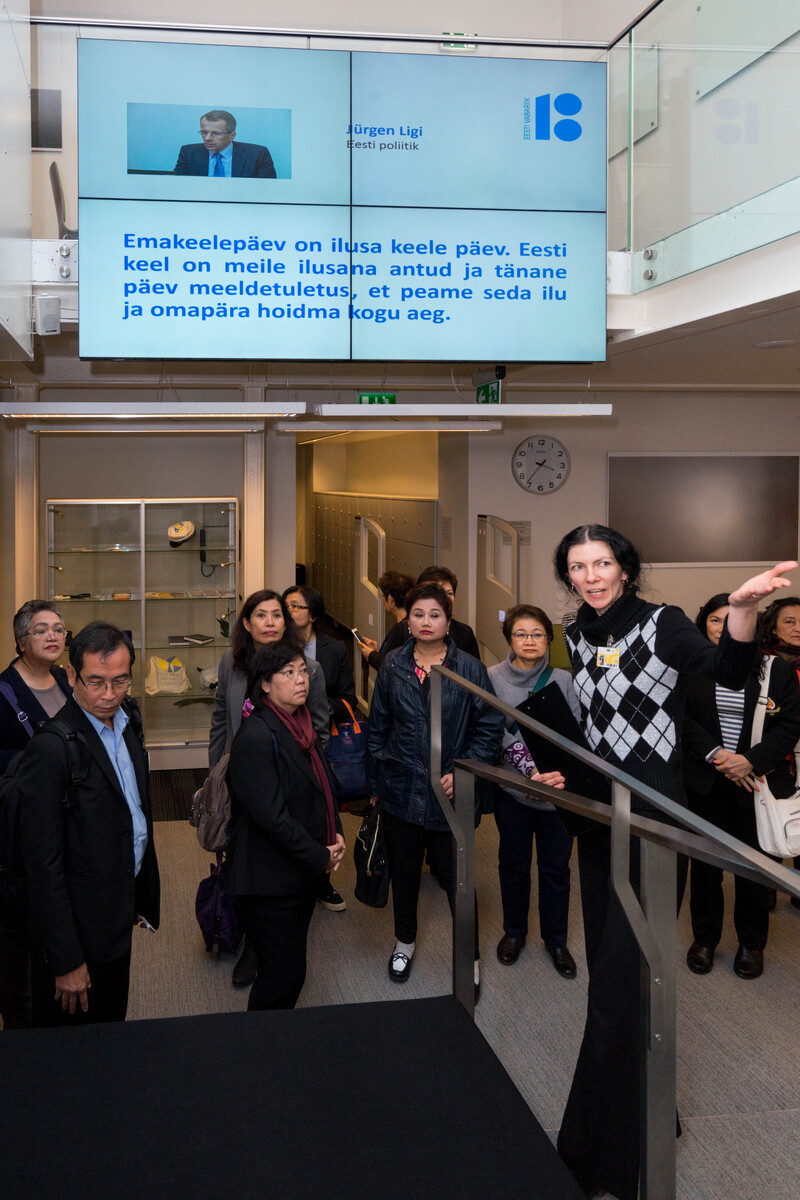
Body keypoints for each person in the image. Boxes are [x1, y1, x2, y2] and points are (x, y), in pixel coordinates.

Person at [552, 522, 795, 1200]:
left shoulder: (661, 624)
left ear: (625, 569)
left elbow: (727, 671)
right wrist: (563, 771)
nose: (592, 576)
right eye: (579, 566)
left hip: (653, 825)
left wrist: (741, 610)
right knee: (611, 981)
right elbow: (595, 727)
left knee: (622, 988)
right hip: (600, 817)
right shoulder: (576, 633)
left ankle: (608, 1158)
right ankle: (644, 1107)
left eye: (603, 563)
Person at [16, 621, 160, 1026]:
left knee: (112, 1021)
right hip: (76, 930)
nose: (109, 695)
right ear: (71, 674)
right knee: (74, 1042)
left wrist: (134, 894)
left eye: (120, 681)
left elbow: (132, 811)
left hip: (116, 910)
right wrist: (66, 960)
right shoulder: (51, 749)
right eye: (95, 682)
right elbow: (41, 866)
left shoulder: (127, 721)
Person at [366, 583, 504, 992]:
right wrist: (374, 786)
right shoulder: (392, 665)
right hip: (400, 790)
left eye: (435, 615)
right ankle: (404, 941)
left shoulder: (470, 669)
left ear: (448, 621)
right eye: (418, 614)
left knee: (459, 880)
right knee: (405, 873)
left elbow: (489, 727)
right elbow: (378, 729)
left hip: (451, 795)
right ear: (407, 620)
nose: (426, 622)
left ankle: (469, 957)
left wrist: (465, 770)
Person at [209, 589, 337, 989]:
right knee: (247, 857)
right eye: (261, 615)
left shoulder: (308, 670)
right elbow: (220, 717)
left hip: (290, 777)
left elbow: (318, 731)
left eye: (277, 614)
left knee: (279, 858)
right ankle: (253, 937)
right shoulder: (232, 663)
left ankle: (260, 948)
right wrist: (216, 773)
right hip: (244, 775)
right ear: (246, 624)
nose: (270, 622)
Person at [683, 593, 800, 980]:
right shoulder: (691, 667)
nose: (723, 628)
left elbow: (790, 725)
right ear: (704, 625)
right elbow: (682, 719)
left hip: (757, 783)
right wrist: (718, 755)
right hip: (706, 782)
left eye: (732, 620)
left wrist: (749, 760)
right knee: (705, 868)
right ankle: (705, 939)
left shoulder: (775, 670)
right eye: (715, 620)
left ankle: (752, 943)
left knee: (754, 868)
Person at [225, 642, 345, 1010]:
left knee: (287, 969)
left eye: (303, 671)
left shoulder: (301, 725)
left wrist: (336, 832)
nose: (301, 680)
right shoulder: (256, 737)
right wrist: (320, 856)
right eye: (288, 673)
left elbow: (323, 786)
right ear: (265, 684)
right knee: (282, 977)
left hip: (297, 872)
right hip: (269, 880)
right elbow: (273, 820)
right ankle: (263, 1042)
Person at [488, 604, 579, 978]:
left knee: (556, 869)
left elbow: (574, 736)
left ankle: (556, 940)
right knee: (513, 865)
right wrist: (528, 772)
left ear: (549, 639)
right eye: (521, 634)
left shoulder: (564, 680)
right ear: (509, 638)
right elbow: (491, 729)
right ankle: (514, 932)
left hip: (557, 794)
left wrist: (550, 777)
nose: (529, 640)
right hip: (512, 791)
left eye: (537, 634)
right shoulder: (491, 677)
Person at [0, 601, 72, 1030]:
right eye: (41, 629)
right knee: (21, 938)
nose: (53, 636)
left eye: (59, 629)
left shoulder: (64, 679)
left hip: (66, 819)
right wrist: (37, 759)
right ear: (21, 640)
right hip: (24, 830)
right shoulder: (4, 692)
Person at [282, 584, 357, 726]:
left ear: (312, 616)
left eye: (295, 606)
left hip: (322, 727)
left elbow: (349, 701)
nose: (289, 612)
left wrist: (319, 704)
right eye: (285, 607)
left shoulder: (336, 649)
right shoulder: (278, 647)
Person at [173, 109, 276, 178]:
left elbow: (266, 191)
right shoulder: (188, 153)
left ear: (232, 136)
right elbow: (178, 186)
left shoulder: (257, 155)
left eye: (216, 133)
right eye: (204, 132)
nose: (208, 138)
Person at [354, 569, 413, 671]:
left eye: (383, 596)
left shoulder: (400, 628)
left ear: (390, 599)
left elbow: (387, 665)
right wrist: (378, 651)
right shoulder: (411, 622)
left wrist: (371, 655)